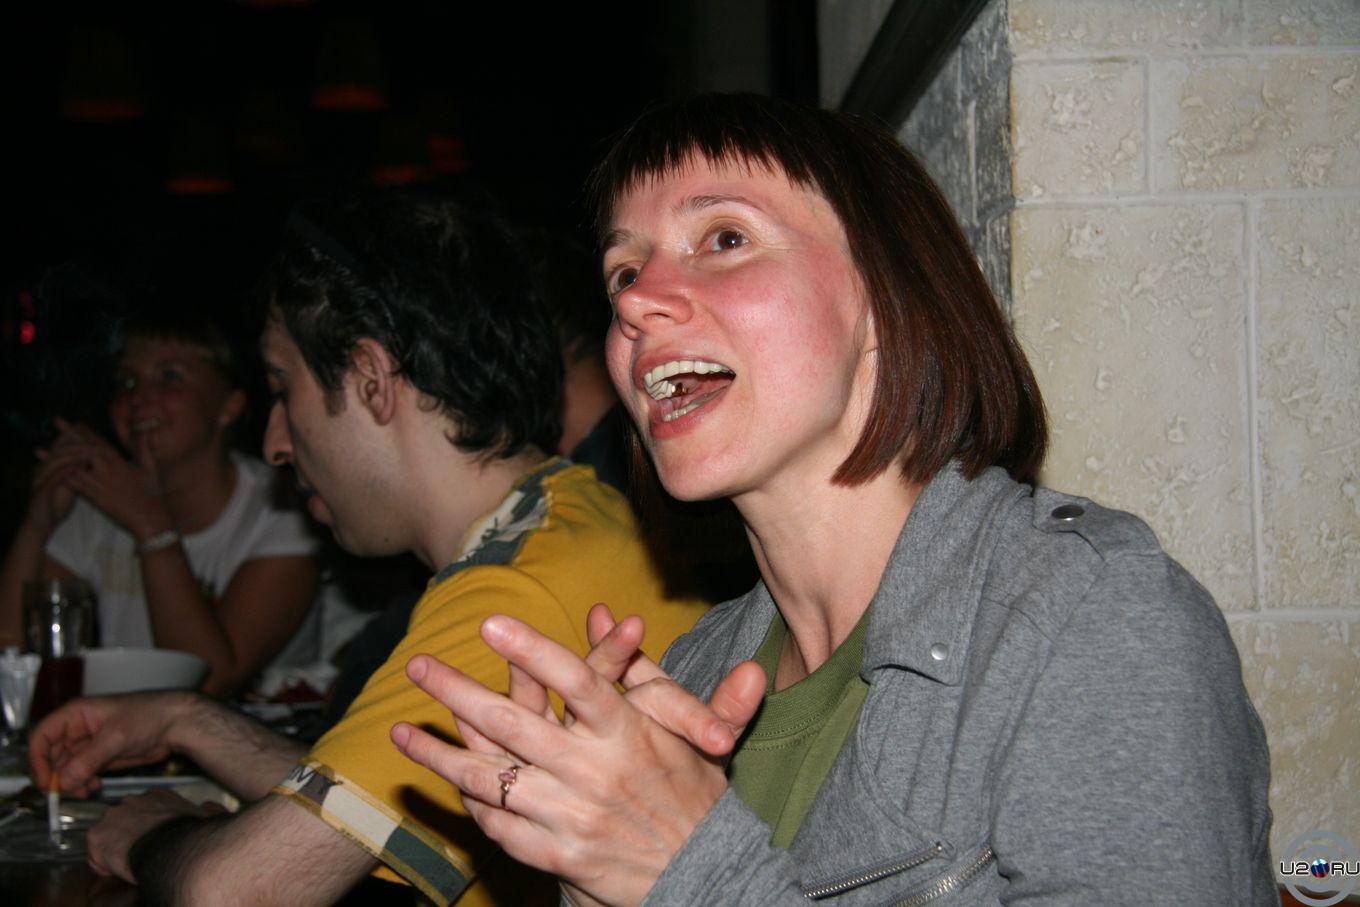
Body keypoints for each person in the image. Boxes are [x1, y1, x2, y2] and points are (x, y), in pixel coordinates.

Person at [391, 94, 1278, 906]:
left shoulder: (1089, 620)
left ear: (885, 295)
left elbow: (698, 873)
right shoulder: (691, 672)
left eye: (724, 238)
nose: (639, 303)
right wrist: (594, 880)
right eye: (624, 272)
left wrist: (690, 868)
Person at [28, 192, 709, 906]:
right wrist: (183, 719)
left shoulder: (512, 595)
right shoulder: (569, 518)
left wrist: (150, 833)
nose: (275, 444)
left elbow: (235, 891)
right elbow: (356, 808)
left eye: (283, 388)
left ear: (370, 378)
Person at [0, 308, 321, 697]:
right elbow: (10, 656)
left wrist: (151, 526)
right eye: (127, 381)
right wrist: (37, 524)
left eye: (169, 377)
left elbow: (210, 681)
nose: (138, 398)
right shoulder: (99, 500)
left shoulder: (280, 511)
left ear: (229, 406)